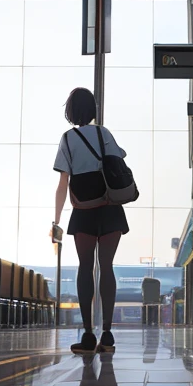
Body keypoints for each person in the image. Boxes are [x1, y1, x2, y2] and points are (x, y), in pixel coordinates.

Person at [52, 87, 129, 355]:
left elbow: (63, 182)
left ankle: (87, 335)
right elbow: (118, 161)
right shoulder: (103, 133)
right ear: (93, 109)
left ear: (70, 111)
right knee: (106, 267)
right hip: (109, 207)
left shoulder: (67, 139)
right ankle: (106, 335)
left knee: (85, 268)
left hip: (83, 210)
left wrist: (56, 219)